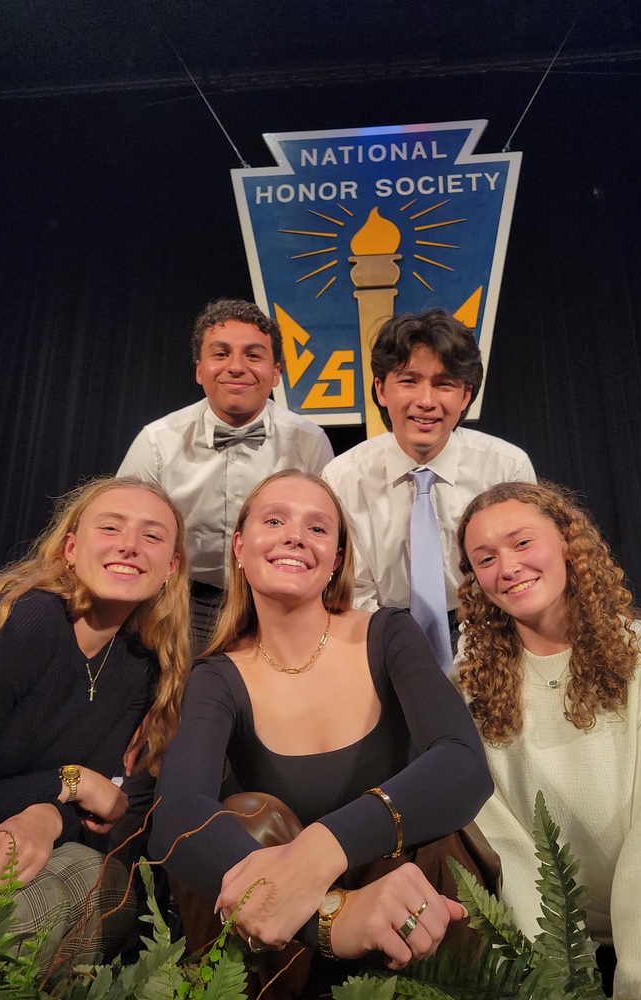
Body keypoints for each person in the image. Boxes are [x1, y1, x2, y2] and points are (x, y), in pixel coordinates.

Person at [150, 470, 494, 993]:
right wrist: (331, 914)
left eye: (317, 528)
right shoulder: (218, 674)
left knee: (442, 835)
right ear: (239, 547)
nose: (295, 535)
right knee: (239, 823)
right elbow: (176, 814)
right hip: (284, 949)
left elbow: (464, 764)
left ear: (335, 560)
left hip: (408, 920)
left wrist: (321, 850)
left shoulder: (388, 632)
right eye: (274, 520)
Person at [456, 479, 641, 1000]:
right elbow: (507, 839)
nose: (507, 567)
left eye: (522, 542)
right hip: (562, 941)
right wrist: (555, 976)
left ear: (568, 543)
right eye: (484, 558)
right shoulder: (470, 686)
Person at [0, 476, 191, 973]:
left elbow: (113, 811)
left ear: (171, 568)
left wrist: (49, 816)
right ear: (71, 548)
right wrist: (64, 784)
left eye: (153, 537)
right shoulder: (23, 622)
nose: (130, 546)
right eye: (110, 527)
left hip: (24, 861)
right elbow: (86, 787)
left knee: (95, 885)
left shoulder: (143, 663)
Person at [118, 298, 334, 651]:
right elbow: (125, 536)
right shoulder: (156, 442)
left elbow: (327, 538)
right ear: (199, 369)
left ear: (276, 371)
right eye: (221, 355)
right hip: (179, 600)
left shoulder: (309, 442)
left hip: (276, 599)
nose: (236, 367)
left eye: (253, 355)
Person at [323, 309, 534, 669]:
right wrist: (404, 658)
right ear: (381, 389)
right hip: (379, 636)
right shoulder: (343, 477)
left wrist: (472, 653)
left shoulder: (505, 467)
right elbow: (354, 592)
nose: (426, 401)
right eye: (408, 381)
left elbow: (524, 573)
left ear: (466, 394)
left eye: (444, 384)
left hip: (494, 629)